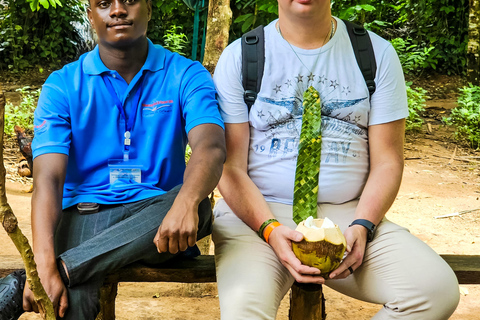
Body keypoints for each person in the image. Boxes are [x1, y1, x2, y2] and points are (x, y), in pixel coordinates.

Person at [211, 1, 460, 319]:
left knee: (434, 291)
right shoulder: (241, 56)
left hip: (347, 215)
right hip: (257, 217)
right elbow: (229, 167)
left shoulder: (374, 53)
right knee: (244, 313)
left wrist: (363, 225)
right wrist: (270, 229)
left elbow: (388, 161)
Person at [0, 0, 225, 319]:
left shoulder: (185, 74)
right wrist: (43, 259)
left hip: (157, 223)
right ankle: (68, 269)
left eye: (130, 0)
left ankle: (55, 271)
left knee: (198, 204)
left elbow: (211, 148)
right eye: (104, 3)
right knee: (73, 304)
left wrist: (186, 204)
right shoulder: (63, 84)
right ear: (91, 15)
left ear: (149, 8)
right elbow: (48, 179)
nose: (118, 10)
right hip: (84, 215)